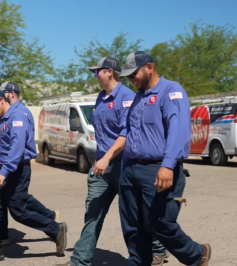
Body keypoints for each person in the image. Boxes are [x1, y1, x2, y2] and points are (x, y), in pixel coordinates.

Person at [54, 56, 169, 266]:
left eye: (97, 71)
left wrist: (107, 158)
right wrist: (101, 159)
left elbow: (127, 134)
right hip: (102, 166)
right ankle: (79, 261)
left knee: (137, 215)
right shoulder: (100, 98)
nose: (95, 75)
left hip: (123, 165)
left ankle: (157, 249)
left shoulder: (128, 97)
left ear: (109, 71)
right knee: (93, 212)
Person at [118, 51, 211, 266]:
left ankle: (197, 254)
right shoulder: (138, 98)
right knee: (133, 227)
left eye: (134, 74)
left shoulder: (171, 92)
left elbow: (178, 131)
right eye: (128, 76)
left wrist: (168, 165)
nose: (132, 80)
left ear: (149, 67)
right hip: (131, 170)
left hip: (158, 168)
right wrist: (125, 171)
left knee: (159, 224)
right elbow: (131, 133)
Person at [0, 89, 67, 264]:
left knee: (19, 212)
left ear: (1, 99)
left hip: (15, 171)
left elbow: (17, 147)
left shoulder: (18, 117)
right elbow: (6, 145)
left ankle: (55, 229)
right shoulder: (2, 119)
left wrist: (4, 171)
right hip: (0, 169)